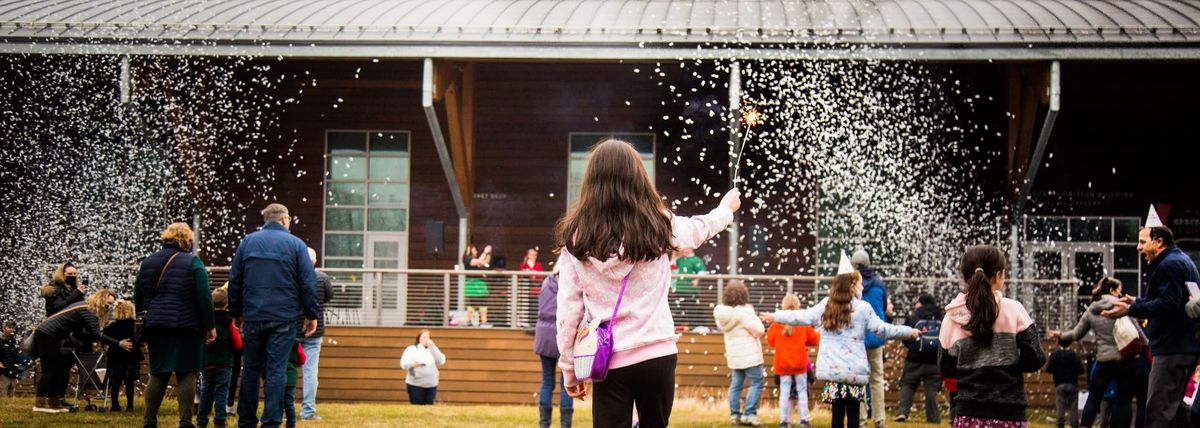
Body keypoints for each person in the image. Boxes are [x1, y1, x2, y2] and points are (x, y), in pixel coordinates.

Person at [554, 139, 739, 428]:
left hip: (608, 359)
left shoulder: (577, 239)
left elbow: (567, 313)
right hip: (658, 352)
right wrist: (726, 209)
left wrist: (569, 369)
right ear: (639, 179)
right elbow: (700, 229)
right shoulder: (659, 225)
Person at [759, 259, 917, 428]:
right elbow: (884, 330)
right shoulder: (863, 308)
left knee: (837, 413)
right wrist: (910, 332)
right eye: (860, 284)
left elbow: (802, 316)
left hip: (833, 373)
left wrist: (777, 317)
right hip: (854, 374)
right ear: (852, 286)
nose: (863, 288)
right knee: (854, 414)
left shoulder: (826, 305)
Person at [229, 203, 320, 428]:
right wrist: (311, 314)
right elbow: (307, 283)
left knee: (250, 367)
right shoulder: (296, 245)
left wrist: (236, 311)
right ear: (283, 220)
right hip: (283, 316)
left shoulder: (247, 242)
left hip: (253, 314)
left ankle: (247, 420)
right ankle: (271, 421)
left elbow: (235, 280)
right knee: (276, 370)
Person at [1103, 225, 1200, 428]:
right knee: (1177, 411)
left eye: (1142, 241)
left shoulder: (1169, 265)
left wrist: (1130, 310)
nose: (1138, 247)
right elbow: (1176, 300)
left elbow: (1168, 303)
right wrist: (1135, 301)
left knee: (1158, 412)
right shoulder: (1181, 260)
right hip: (1183, 347)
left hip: (1171, 348)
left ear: (1159, 242)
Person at [938, 245, 1046, 427]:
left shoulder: (952, 316)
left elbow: (945, 367)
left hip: (968, 414)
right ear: (998, 276)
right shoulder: (1014, 310)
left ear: (965, 277)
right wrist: (1009, 365)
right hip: (1010, 413)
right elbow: (1035, 357)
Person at [135, 222, 217, 428]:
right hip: (186, 325)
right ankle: (185, 421)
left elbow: (138, 294)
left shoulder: (147, 262)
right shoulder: (193, 262)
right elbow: (204, 296)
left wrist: (143, 320)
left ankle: (149, 420)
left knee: (158, 371)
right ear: (187, 240)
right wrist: (210, 325)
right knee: (186, 371)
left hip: (156, 324)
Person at [1050, 277, 1141, 428]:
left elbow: (1076, 334)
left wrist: (1060, 335)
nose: (1120, 294)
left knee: (1093, 398)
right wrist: (1149, 345)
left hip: (1103, 360)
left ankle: (1085, 425)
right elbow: (1137, 331)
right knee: (1123, 400)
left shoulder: (1092, 309)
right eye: (1119, 290)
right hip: (1123, 360)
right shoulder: (1122, 306)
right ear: (1112, 290)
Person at [32, 289, 133, 413]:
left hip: (50, 335)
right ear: (100, 300)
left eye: (111, 304)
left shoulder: (84, 306)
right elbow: (96, 334)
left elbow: (81, 332)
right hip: (47, 335)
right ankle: (40, 404)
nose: (109, 307)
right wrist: (118, 343)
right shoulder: (88, 310)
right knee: (49, 369)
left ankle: (54, 402)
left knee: (57, 368)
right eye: (108, 304)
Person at [714, 280, 767, 427]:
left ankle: (734, 415)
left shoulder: (722, 314)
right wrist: (751, 312)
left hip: (734, 356)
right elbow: (759, 330)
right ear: (743, 295)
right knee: (757, 382)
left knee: (736, 386)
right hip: (750, 357)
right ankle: (749, 414)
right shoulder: (745, 313)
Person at [766, 293, 820, 428]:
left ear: (783, 306)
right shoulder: (803, 323)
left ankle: (784, 421)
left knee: (784, 392)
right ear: (798, 306)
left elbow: (770, 341)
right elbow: (814, 340)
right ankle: (804, 420)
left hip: (782, 364)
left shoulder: (776, 323)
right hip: (800, 364)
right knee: (802, 391)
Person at [852, 249, 889, 428]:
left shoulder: (852, 284)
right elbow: (882, 309)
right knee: (877, 379)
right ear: (869, 264)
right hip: (876, 337)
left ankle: (861, 420)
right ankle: (880, 419)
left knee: (859, 379)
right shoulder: (879, 284)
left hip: (857, 340)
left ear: (855, 265)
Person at [895, 293, 944, 424]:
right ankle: (933, 419)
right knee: (931, 391)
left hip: (914, 359)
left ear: (921, 303)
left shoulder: (915, 316)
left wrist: (913, 347)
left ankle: (903, 413)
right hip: (934, 361)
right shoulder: (941, 316)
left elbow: (905, 336)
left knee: (908, 385)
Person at [198, 288, 243, 428]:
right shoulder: (229, 322)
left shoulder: (205, 321)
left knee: (206, 392)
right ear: (227, 305)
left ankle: (201, 421)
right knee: (221, 392)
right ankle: (220, 421)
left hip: (207, 363)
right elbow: (237, 344)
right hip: (224, 365)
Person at [298, 247, 333, 421]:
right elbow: (328, 297)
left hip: (292, 330)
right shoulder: (322, 278)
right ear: (315, 261)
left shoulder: (292, 276)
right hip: (315, 331)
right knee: (310, 372)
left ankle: (281, 410)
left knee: (282, 369)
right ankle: (308, 411)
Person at [534, 270, 573, 428]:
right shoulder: (567, 288)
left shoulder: (546, 284)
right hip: (563, 336)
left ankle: (544, 424)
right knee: (567, 383)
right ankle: (565, 425)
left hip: (543, 336)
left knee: (547, 381)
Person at [103, 300, 141, 412]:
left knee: (115, 382)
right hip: (130, 356)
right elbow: (139, 339)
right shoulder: (134, 326)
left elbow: (105, 337)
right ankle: (130, 406)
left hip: (115, 356)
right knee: (129, 382)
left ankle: (115, 404)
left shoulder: (113, 326)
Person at [1046, 338, 1084, 428]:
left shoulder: (1054, 355)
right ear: (1070, 343)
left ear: (1058, 342)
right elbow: (1081, 370)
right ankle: (1074, 425)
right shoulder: (1074, 355)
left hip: (1060, 384)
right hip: (1073, 383)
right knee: (1074, 407)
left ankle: (1060, 424)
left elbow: (1049, 369)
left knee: (1060, 406)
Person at [400, 329, 445, 405]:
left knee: (429, 406)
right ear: (419, 338)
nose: (426, 339)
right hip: (415, 384)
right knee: (417, 406)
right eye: (424, 337)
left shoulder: (433, 349)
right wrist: (412, 365)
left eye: (428, 337)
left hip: (431, 384)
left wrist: (433, 347)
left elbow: (440, 361)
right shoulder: (411, 349)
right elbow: (403, 364)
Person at [283, 341, 306, 428]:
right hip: (291, 376)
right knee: (289, 402)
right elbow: (303, 359)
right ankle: (291, 423)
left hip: (277, 375)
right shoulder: (295, 343)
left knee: (276, 400)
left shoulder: (274, 338)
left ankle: (276, 418)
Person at [1, 320, 22, 398]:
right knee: (3, 394)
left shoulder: (13, 340)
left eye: (13, 328)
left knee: (11, 393)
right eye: (9, 327)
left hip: (13, 370)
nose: (11, 329)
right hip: (3, 371)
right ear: (3, 328)